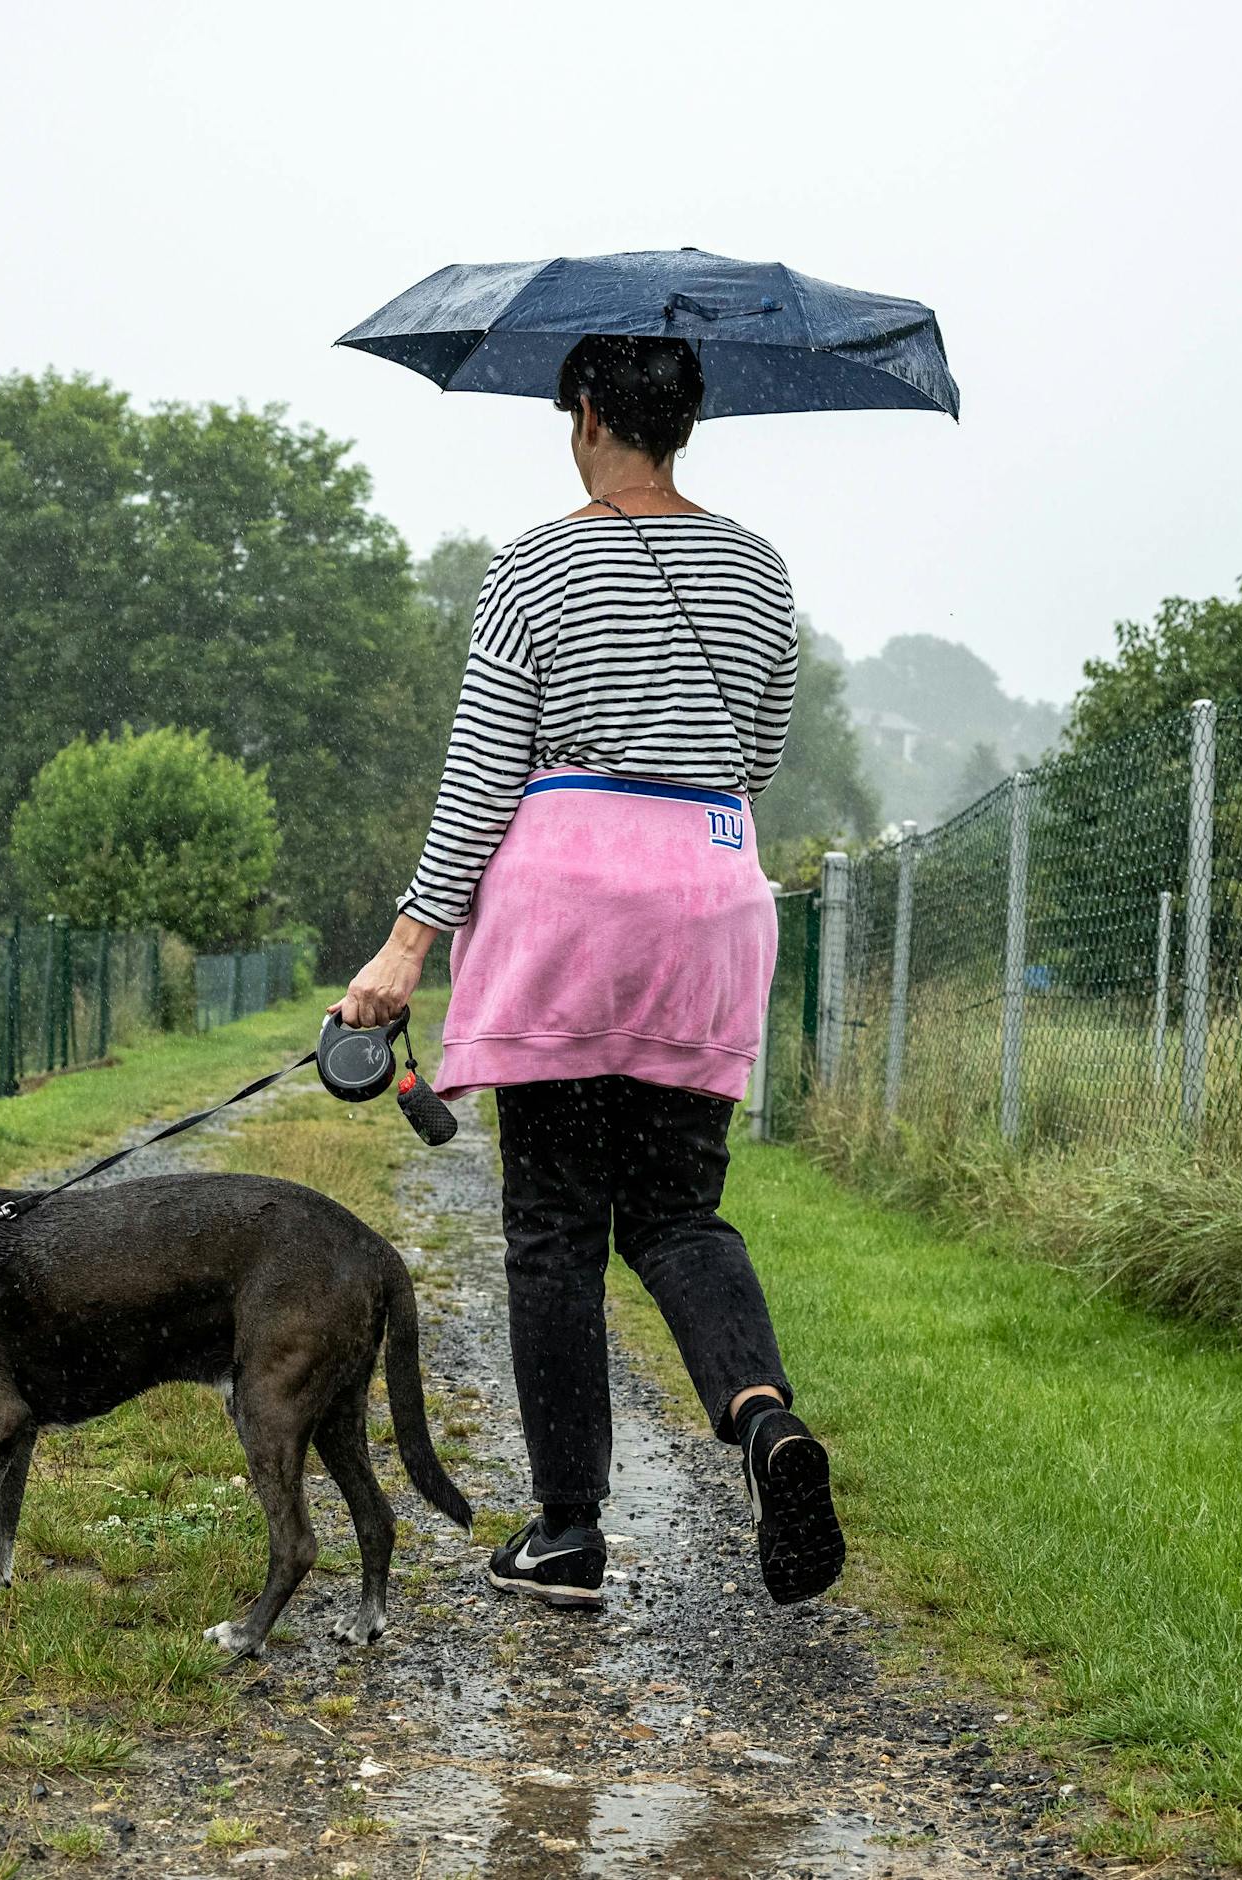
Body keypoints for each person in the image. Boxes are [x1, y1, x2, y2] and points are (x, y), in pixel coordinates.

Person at [333, 334, 845, 1611]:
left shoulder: (538, 561)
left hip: (567, 906)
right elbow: (760, 750)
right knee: (677, 1211)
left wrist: (407, 946)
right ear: (685, 421)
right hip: (710, 897)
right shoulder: (762, 567)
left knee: (553, 1227)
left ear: (584, 414)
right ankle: (763, 1419)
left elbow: (481, 770)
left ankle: (567, 1529)